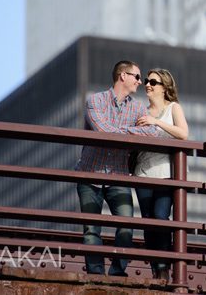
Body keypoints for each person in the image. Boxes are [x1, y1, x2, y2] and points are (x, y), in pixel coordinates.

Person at [76, 60, 168, 277]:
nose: (141, 82)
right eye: (137, 77)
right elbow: (102, 130)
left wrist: (118, 131)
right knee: (91, 230)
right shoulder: (95, 100)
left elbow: (153, 133)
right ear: (122, 76)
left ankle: (117, 272)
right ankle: (96, 275)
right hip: (90, 174)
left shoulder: (137, 108)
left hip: (118, 176)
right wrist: (130, 131)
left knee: (127, 227)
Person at [133, 68, 189, 281]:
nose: (147, 84)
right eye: (147, 81)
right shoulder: (140, 110)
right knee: (148, 220)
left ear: (165, 87)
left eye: (153, 82)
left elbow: (183, 134)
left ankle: (165, 266)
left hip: (166, 172)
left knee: (161, 218)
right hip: (143, 172)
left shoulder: (173, 108)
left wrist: (155, 122)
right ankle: (156, 268)